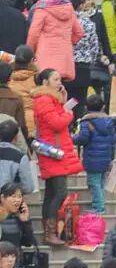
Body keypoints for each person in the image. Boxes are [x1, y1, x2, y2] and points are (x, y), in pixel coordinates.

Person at [31, 66, 81, 244]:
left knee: (52, 192)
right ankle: (49, 233)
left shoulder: (51, 99)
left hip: (55, 151)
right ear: (45, 82)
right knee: (60, 192)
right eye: (56, 79)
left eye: (60, 79)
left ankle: (49, 232)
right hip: (53, 152)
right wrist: (68, 113)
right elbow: (56, 123)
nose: (60, 83)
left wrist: (63, 102)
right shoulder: (44, 99)